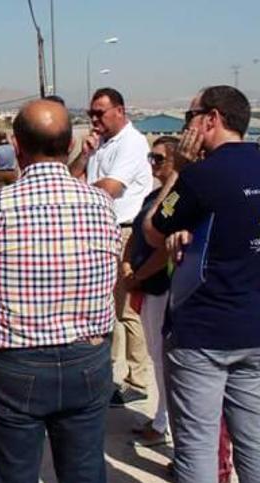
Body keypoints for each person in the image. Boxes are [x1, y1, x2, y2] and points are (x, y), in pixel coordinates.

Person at [0, 99, 120, 483]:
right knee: (85, 478)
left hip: (15, 364)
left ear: (16, 146)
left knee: (13, 482)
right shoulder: (101, 204)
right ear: (70, 145)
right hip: (88, 358)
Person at [142, 85, 260, 483]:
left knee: (196, 449)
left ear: (211, 119)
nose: (187, 124)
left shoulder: (201, 177)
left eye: (191, 115)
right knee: (255, 447)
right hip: (254, 330)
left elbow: (154, 231)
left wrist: (180, 170)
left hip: (203, 335)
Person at [69, 87, 153, 407]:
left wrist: (78, 192)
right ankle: (108, 372)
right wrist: (86, 154)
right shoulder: (101, 143)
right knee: (106, 308)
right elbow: (70, 175)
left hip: (125, 233)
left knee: (127, 309)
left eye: (100, 112)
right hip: (101, 231)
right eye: (91, 113)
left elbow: (111, 188)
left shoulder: (131, 143)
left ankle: (138, 378)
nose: (94, 118)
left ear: (120, 110)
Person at [122, 136, 179, 447]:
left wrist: (140, 274)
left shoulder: (174, 200)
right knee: (156, 357)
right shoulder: (154, 196)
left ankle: (164, 424)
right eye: (151, 158)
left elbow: (164, 247)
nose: (153, 164)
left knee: (162, 359)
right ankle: (161, 418)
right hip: (145, 285)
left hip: (161, 287)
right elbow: (137, 232)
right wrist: (128, 264)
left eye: (159, 159)